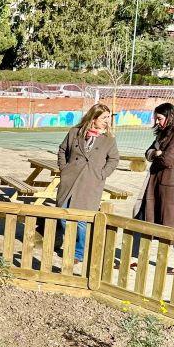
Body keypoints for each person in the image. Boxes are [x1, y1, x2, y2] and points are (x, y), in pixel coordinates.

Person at [56, 103, 120, 263]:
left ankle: (78, 253)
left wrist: (102, 174)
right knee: (63, 214)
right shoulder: (74, 132)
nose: (108, 121)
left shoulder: (109, 139)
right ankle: (69, 245)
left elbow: (114, 159)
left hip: (91, 181)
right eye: (104, 118)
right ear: (93, 118)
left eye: (109, 117)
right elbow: (63, 150)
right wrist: (64, 169)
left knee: (82, 220)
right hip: (70, 178)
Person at [134, 102, 174, 231]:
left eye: (159, 119)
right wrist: (158, 153)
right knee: (155, 222)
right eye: (156, 119)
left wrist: (159, 154)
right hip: (157, 179)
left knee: (173, 224)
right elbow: (148, 154)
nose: (157, 122)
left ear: (170, 116)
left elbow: (168, 160)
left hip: (172, 181)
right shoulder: (163, 132)